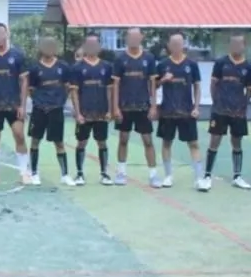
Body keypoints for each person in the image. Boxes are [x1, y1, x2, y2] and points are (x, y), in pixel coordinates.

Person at [204, 34, 251, 190]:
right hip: (220, 110)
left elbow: (250, 90)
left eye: (239, 44)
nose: (236, 47)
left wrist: (243, 105)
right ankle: (207, 175)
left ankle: (237, 176)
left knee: (237, 142)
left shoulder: (249, 67)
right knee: (214, 141)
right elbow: (213, 84)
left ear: (244, 46)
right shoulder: (221, 63)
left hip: (238, 112)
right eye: (233, 44)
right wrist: (216, 102)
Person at [112, 28, 161, 188]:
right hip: (125, 107)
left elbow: (152, 83)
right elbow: (116, 84)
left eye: (136, 37)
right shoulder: (120, 59)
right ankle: (121, 173)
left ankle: (153, 175)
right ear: (127, 39)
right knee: (123, 139)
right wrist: (115, 107)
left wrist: (153, 106)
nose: (133, 39)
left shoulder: (149, 58)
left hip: (143, 107)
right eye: (130, 37)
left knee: (148, 141)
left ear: (141, 38)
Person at [0, 22, 30, 183]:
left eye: (2, 33)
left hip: (14, 104)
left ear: (7, 34)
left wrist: (23, 105)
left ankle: (24, 173)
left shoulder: (18, 55)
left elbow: (24, 81)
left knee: (19, 136)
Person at [155, 31, 204, 189]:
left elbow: (197, 87)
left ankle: (199, 178)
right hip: (167, 111)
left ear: (184, 45)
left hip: (187, 111)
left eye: (179, 43)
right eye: (173, 43)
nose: (176, 46)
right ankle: (168, 176)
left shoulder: (192, 65)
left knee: (193, 144)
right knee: (166, 143)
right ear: (169, 46)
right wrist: (163, 80)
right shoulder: (162, 65)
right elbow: (153, 86)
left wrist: (196, 107)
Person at [24, 37, 74, 186]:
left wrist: (60, 101)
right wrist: (40, 101)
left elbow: (67, 87)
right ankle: (34, 173)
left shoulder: (63, 67)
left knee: (59, 143)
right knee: (35, 141)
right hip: (39, 110)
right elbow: (31, 90)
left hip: (56, 110)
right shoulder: (34, 68)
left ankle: (65, 175)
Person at [69, 33, 113, 186]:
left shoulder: (107, 67)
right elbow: (74, 92)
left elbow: (109, 90)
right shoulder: (77, 67)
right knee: (81, 142)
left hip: (101, 112)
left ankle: (104, 173)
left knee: (102, 142)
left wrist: (110, 110)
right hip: (84, 112)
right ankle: (80, 173)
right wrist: (77, 113)